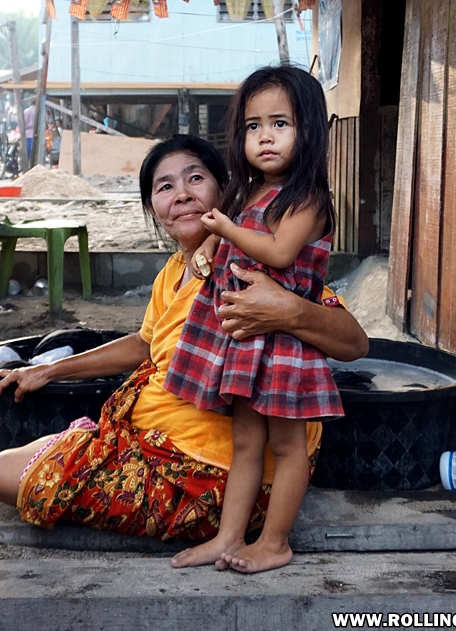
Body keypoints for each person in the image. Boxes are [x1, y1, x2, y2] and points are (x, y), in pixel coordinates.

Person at [0, 135, 368, 552]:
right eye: (165, 187)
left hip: (211, 471)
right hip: (149, 436)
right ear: (154, 210)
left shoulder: (251, 267)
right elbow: (146, 344)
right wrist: (49, 369)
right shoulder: (171, 273)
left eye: (196, 178)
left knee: (3, 474)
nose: (182, 195)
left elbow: (354, 342)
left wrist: (290, 310)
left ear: (226, 192)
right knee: (22, 455)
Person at [164, 66, 341, 573]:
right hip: (244, 338)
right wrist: (209, 246)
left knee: (288, 447)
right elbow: (227, 234)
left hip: (284, 339)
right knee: (246, 441)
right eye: (252, 126)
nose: (264, 136)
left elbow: (281, 253)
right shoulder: (249, 194)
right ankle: (228, 537)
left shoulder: (306, 198)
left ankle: (275, 541)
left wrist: (222, 229)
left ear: (309, 130)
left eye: (280, 123)